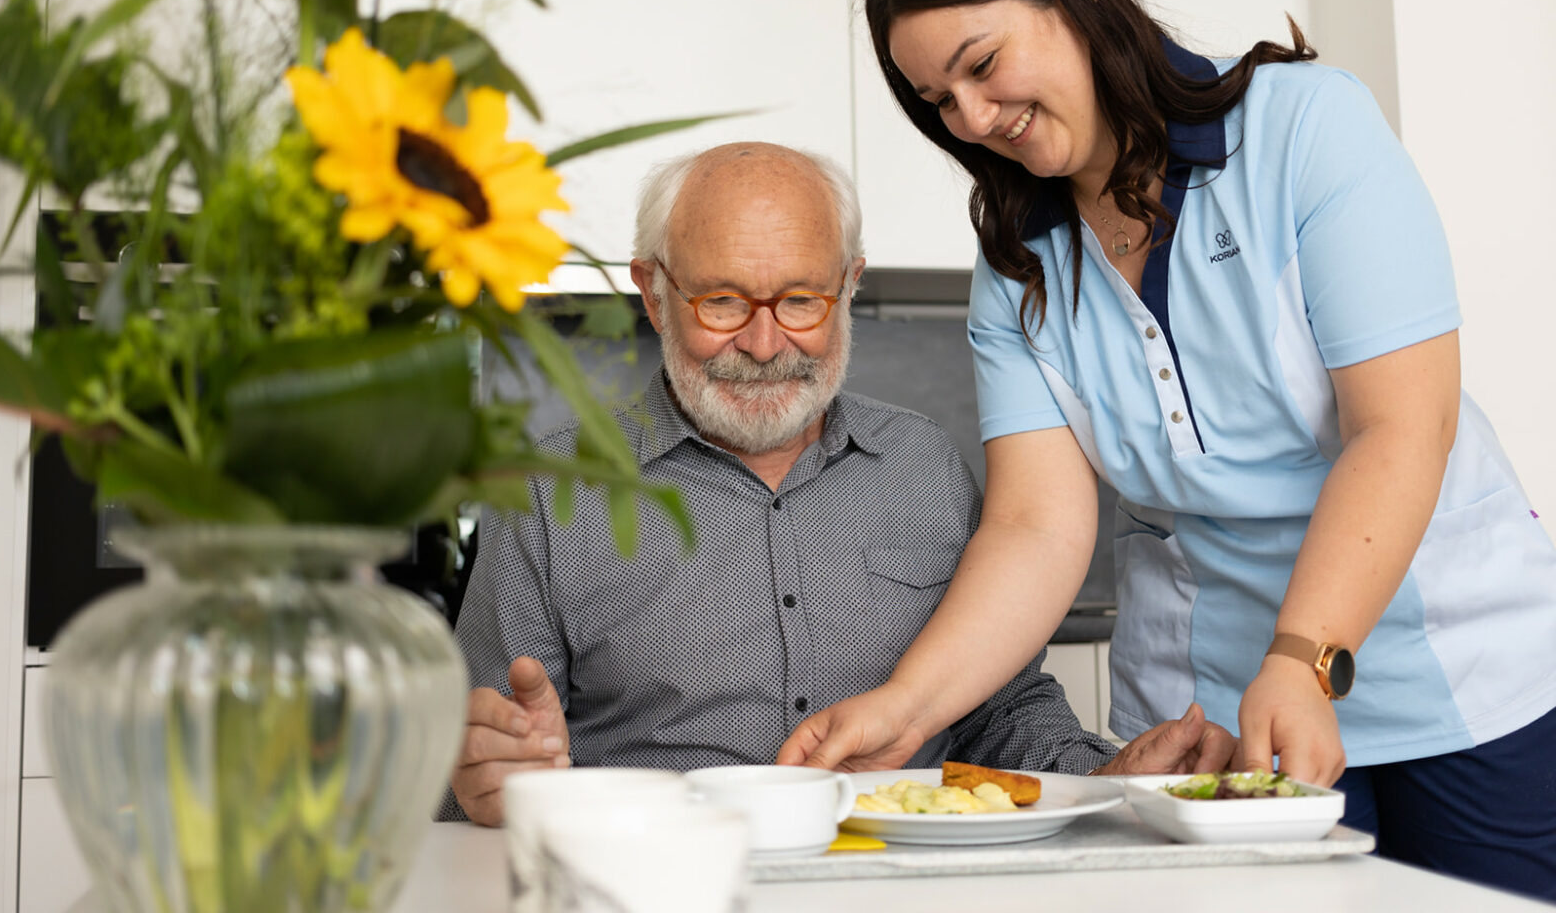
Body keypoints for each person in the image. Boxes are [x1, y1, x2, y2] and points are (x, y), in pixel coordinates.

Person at [774, 0, 1556, 900]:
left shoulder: (1303, 130)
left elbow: (1402, 427)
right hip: (1230, 709)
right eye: (937, 101)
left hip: (1454, 662)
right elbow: (1034, 527)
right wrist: (908, 704)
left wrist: (1304, 655)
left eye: (980, 64)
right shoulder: (1020, 261)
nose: (970, 118)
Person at [439, 141, 1235, 826]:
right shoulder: (549, 496)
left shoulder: (923, 465)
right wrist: (490, 780)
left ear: (849, 284)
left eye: (800, 300)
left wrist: (1106, 775)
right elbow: (480, 768)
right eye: (721, 301)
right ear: (653, 291)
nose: (762, 342)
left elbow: (1001, 708)